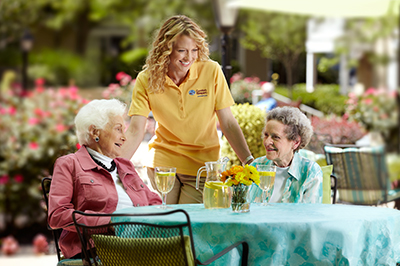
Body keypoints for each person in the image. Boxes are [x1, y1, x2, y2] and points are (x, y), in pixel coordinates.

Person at [122, 15, 254, 204]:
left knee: (188, 223)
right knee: (166, 223)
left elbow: (228, 122)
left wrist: (248, 160)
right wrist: (111, 167)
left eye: (194, 50)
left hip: (202, 165)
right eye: (182, 50)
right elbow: (135, 130)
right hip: (163, 161)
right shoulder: (147, 78)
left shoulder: (211, 71)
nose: (189, 57)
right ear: (166, 50)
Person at [48, 99, 161, 259]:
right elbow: (57, 215)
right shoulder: (70, 164)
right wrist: (109, 222)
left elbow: (153, 202)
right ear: (95, 132)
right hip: (96, 249)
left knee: (191, 252)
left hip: (139, 243)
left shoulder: (124, 165)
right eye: (118, 129)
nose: (124, 138)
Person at [250, 106, 322, 203]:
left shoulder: (310, 172)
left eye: (276, 137)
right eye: (266, 135)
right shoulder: (256, 165)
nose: (267, 142)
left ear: (295, 142)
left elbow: (308, 215)